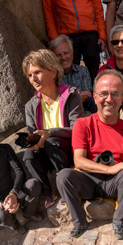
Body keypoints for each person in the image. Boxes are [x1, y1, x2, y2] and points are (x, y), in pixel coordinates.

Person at [56, 71, 123, 240]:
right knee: (63, 176)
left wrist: (118, 172)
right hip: (88, 180)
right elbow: (78, 160)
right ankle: (79, 222)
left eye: (115, 94)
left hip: (113, 184)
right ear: (95, 97)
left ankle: (119, 222)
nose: (109, 99)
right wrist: (108, 169)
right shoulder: (83, 124)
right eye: (103, 94)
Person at [20, 48, 84, 207]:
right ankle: (47, 192)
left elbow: (77, 129)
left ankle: (67, 189)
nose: (33, 78)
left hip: (67, 149)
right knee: (28, 155)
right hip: (45, 151)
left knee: (52, 142)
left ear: (53, 72)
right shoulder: (31, 105)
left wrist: (49, 133)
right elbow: (32, 132)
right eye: (29, 75)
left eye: (37, 72)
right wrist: (32, 141)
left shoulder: (71, 95)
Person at [49, 34, 94, 112]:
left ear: (72, 55)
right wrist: (78, 95)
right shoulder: (51, 76)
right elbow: (56, 101)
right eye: (58, 55)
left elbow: (88, 94)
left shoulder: (82, 70)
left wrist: (67, 97)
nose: (63, 58)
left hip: (84, 108)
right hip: (63, 111)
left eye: (66, 53)